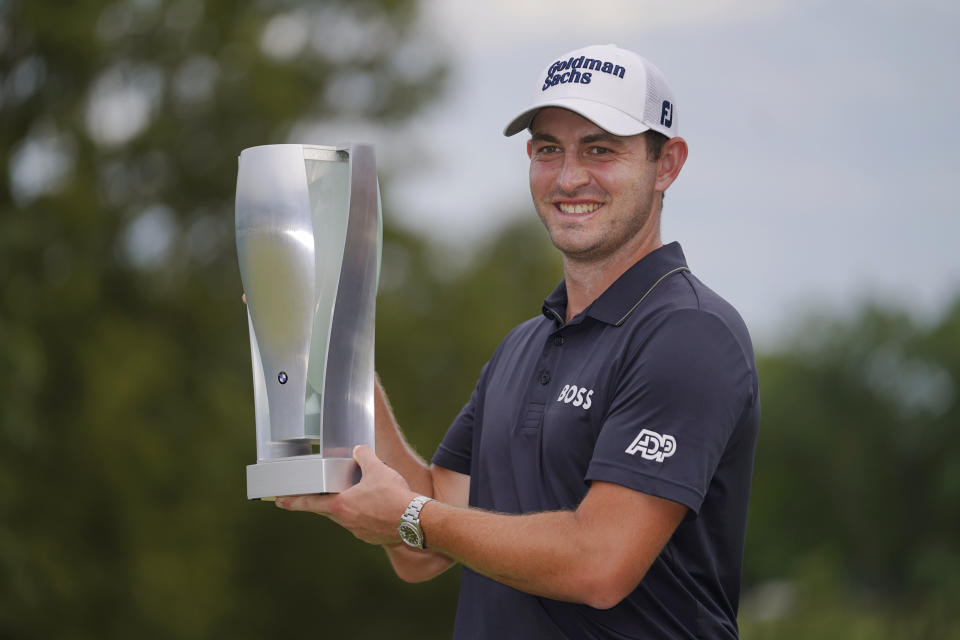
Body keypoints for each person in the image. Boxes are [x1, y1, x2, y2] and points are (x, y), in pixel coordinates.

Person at [276, 43, 760, 639]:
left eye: (601, 150)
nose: (570, 176)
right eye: (549, 149)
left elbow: (599, 563)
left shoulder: (689, 333)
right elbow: (422, 548)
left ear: (667, 164)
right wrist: (343, 354)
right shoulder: (522, 347)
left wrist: (409, 515)